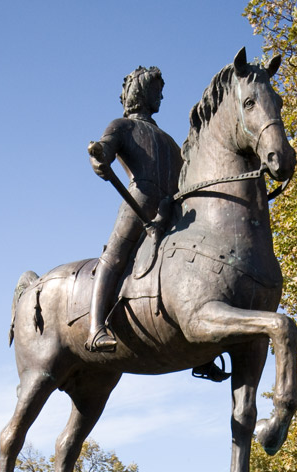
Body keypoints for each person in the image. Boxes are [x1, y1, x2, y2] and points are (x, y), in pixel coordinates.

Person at [86, 66, 182, 353]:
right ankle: (95, 327)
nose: (161, 97)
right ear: (141, 91)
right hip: (139, 200)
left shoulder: (169, 140)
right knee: (115, 257)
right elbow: (104, 148)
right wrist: (99, 156)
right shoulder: (123, 125)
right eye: (157, 90)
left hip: (172, 207)